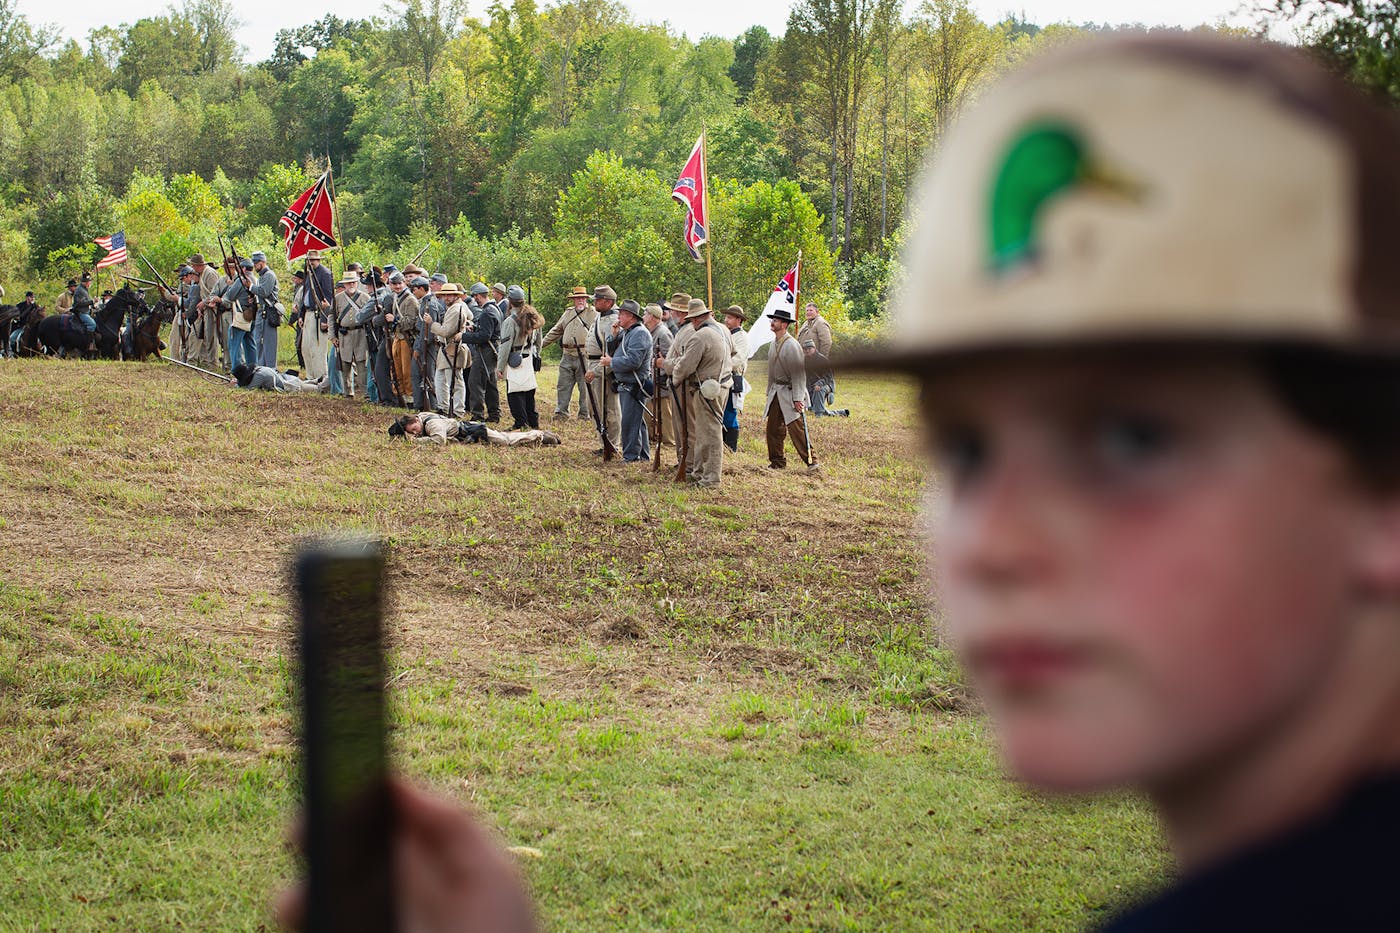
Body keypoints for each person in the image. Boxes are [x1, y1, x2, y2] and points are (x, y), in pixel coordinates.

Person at [662, 299, 729, 487]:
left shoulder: (700, 336)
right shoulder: (723, 330)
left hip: (706, 389)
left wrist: (673, 377)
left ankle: (710, 479)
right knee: (704, 433)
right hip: (720, 385)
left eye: (692, 319)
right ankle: (700, 473)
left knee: (709, 435)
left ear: (697, 319)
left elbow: (685, 366)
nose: (692, 323)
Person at [763, 307, 819, 474]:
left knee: (797, 429)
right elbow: (771, 372)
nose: (772, 323)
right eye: (772, 320)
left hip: (790, 392)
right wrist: (769, 391)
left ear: (784, 324)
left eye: (776, 320)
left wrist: (797, 397)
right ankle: (777, 461)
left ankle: (812, 461)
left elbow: (799, 374)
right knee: (773, 429)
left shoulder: (792, 345)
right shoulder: (773, 344)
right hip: (776, 392)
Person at [601, 299, 653, 462]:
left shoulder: (640, 333)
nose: (619, 317)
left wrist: (612, 363)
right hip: (627, 383)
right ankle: (643, 456)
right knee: (636, 421)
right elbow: (615, 351)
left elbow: (633, 361)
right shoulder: (628, 332)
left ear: (630, 316)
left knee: (630, 422)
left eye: (621, 314)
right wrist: (614, 336)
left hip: (634, 383)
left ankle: (631, 457)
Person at [538, 285, 596, 420]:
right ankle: (561, 412)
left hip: (584, 354)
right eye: (577, 298)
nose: (580, 301)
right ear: (573, 300)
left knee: (585, 386)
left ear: (586, 299)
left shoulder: (593, 313)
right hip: (567, 354)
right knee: (563, 385)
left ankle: (584, 414)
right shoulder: (568, 313)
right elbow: (556, 330)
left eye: (582, 298)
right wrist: (539, 346)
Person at [495, 286, 544, 430]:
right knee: (529, 393)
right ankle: (532, 422)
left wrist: (500, 367)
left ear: (510, 301)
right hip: (528, 358)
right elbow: (539, 342)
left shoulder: (510, 321)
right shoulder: (534, 317)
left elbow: (504, 347)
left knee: (515, 393)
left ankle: (521, 422)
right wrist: (535, 354)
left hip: (515, 359)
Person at [582, 285, 621, 455]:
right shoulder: (600, 317)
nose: (595, 302)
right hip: (594, 364)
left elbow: (611, 353)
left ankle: (612, 444)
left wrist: (596, 371)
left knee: (610, 410)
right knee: (596, 408)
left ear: (608, 302)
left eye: (598, 299)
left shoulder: (613, 320)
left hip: (603, 368)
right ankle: (603, 442)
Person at [426, 282, 472, 416]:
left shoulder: (456, 309)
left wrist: (431, 323)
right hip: (446, 348)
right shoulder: (456, 307)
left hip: (453, 348)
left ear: (455, 295)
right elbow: (470, 318)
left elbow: (446, 331)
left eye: (449, 295)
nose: (446, 297)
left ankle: (457, 411)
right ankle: (444, 407)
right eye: (444, 295)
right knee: (441, 379)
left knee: (456, 382)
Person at [388, 412, 561, 447]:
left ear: (415, 420)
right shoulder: (422, 417)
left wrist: (416, 442)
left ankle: (541, 435)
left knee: (508, 441)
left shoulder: (432, 424)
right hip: (468, 433)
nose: (415, 432)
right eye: (411, 432)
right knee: (506, 436)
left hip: (473, 432)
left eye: (413, 428)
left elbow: (439, 440)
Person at [461, 283, 501, 422]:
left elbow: (485, 336)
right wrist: (475, 329)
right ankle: (494, 415)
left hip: (486, 351)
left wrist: (464, 337)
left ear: (478, 296)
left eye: (474, 296)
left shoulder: (487, 312)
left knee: (475, 382)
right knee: (490, 384)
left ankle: (477, 415)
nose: (474, 299)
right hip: (491, 350)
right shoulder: (494, 309)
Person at [334, 274, 371, 398]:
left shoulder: (365, 297)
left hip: (360, 333)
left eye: (353, 283)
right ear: (344, 285)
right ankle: (348, 392)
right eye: (348, 283)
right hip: (344, 335)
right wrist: (332, 336)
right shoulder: (338, 298)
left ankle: (366, 393)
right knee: (345, 364)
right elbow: (332, 317)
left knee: (362, 364)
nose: (351, 285)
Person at [644, 303, 674, 452]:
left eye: (645, 314)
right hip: (652, 379)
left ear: (651, 316)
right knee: (650, 411)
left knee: (666, 414)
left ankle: (669, 442)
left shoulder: (663, 333)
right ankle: (652, 438)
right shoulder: (651, 331)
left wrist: (663, 375)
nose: (643, 317)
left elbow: (670, 359)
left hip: (662, 381)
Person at [797, 302, 836, 415]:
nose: (808, 312)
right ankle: (810, 404)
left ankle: (828, 394)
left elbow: (826, 342)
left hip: (816, 360)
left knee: (820, 381)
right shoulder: (806, 323)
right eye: (807, 311)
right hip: (806, 360)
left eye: (811, 310)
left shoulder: (821, 323)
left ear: (817, 312)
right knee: (807, 382)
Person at [221, 258, 259, 372]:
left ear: (243, 268)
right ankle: (253, 368)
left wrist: (230, 285)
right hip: (251, 315)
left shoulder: (241, 279)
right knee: (250, 342)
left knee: (234, 344)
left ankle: (237, 370)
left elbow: (230, 296)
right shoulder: (255, 279)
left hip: (241, 316)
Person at [721, 306, 749, 452]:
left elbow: (737, 360)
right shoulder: (725, 334)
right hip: (722, 377)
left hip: (733, 377)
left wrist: (721, 366)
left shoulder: (742, 337)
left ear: (739, 320)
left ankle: (731, 448)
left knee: (729, 414)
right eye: (726, 317)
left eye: (730, 318)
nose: (726, 320)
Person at [250, 252, 281, 369]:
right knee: (259, 341)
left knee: (269, 343)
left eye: (256, 263)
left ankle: (271, 369)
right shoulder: (262, 277)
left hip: (269, 312)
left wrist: (251, 287)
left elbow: (264, 292)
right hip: (262, 312)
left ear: (262, 263)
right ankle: (262, 367)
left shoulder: (269, 275)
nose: (254, 266)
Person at [231, 363, 327, 393]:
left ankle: (324, 386)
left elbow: (249, 389)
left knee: (312, 389)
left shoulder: (258, 376)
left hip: (288, 385)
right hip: (287, 378)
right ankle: (315, 381)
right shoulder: (259, 369)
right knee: (301, 384)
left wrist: (236, 385)